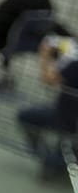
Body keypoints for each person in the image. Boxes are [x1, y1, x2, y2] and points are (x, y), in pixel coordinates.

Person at [18, 37, 78, 180]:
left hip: (65, 119)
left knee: (55, 160)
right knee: (27, 117)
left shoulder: (75, 66)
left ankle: (52, 160)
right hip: (64, 115)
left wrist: (44, 56)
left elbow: (47, 79)